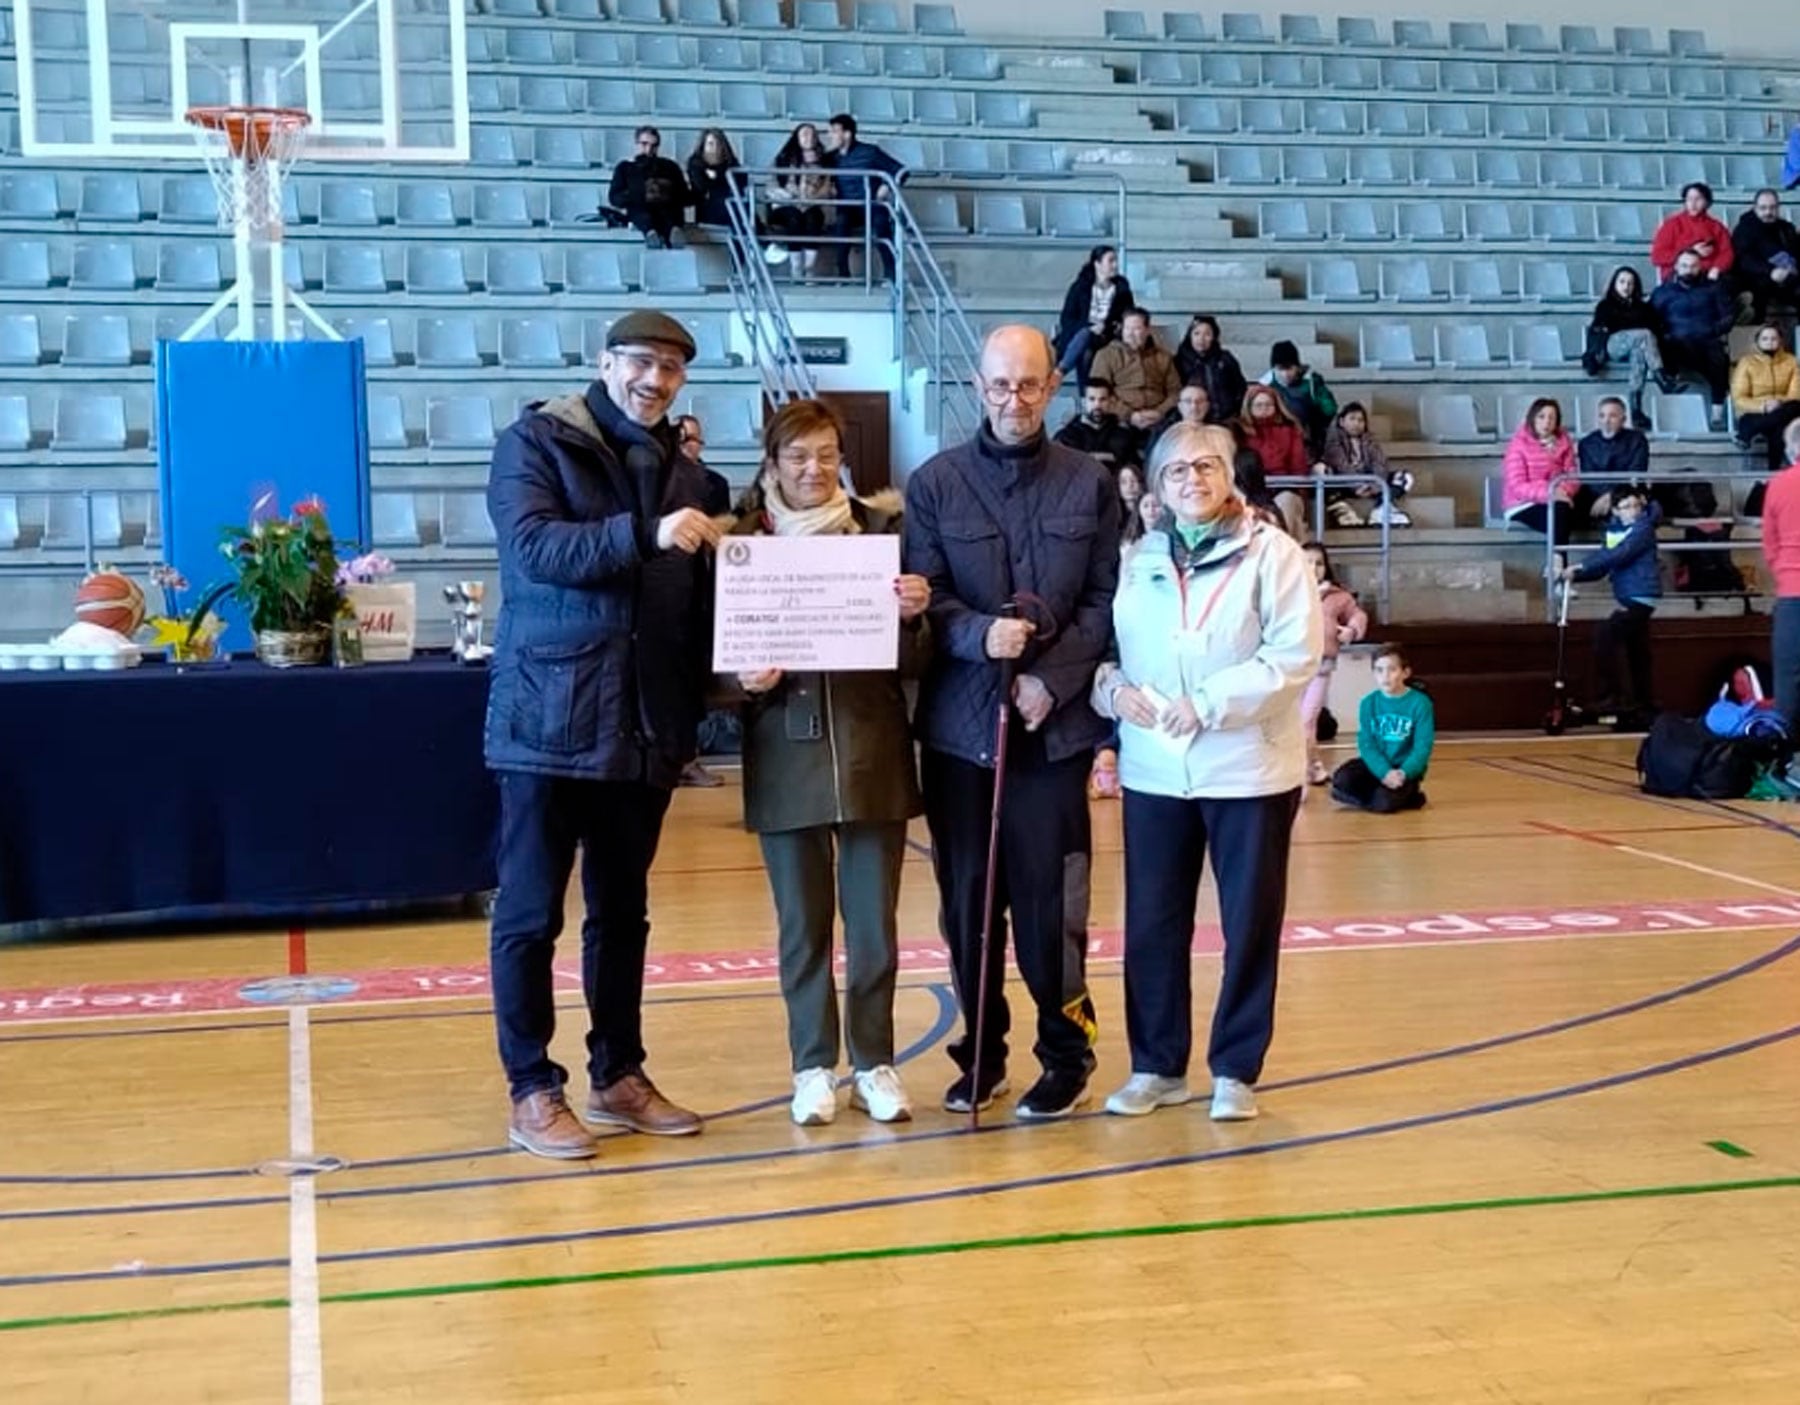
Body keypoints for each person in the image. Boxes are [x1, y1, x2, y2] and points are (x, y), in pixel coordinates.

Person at [484, 309, 720, 1160]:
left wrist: (734, 679)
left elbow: (698, 607)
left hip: (645, 724)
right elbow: (536, 548)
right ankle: (530, 1087)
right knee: (529, 913)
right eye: (642, 363)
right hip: (547, 719)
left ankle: (617, 1072)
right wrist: (642, 534)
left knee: (623, 914)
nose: (655, 381)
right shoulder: (535, 444)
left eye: (672, 370)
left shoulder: (690, 477)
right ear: (605, 362)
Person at [902, 324, 1120, 1120]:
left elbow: (1105, 604)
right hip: (961, 734)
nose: (1014, 400)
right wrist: (974, 635)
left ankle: (1066, 1052)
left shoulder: (1089, 484)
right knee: (967, 904)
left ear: (1053, 384)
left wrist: (1051, 683)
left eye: (1029, 384)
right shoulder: (933, 484)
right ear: (978, 384)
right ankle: (982, 1051)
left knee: (1049, 905)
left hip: (1052, 734)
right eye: (1000, 385)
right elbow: (925, 600)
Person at [1089, 422, 1320, 1122]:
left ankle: (1236, 1068)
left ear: (1230, 475)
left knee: (1249, 922)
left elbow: (1293, 654)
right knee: (1153, 923)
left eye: (1205, 466)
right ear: (1156, 487)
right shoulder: (1137, 559)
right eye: (1176, 470)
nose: (1192, 479)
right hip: (1155, 770)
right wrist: (1108, 689)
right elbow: (1108, 650)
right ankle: (1158, 1065)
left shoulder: (1273, 554)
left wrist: (1211, 703)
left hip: (1246, 770)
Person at [725, 399, 932, 1127]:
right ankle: (812, 1063)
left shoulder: (884, 535)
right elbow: (713, 663)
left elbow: (916, 661)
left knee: (873, 925)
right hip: (785, 754)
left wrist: (914, 617)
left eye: (825, 454)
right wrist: (740, 682)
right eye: (797, 456)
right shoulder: (742, 544)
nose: (813, 469)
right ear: (773, 463)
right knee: (802, 927)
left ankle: (875, 1060)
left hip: (873, 751)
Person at [1559, 484, 1663, 730]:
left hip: (1641, 596)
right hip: (1630, 597)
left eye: (1637, 505)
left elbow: (1619, 555)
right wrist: (1574, 576)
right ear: (1616, 511)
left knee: (1605, 634)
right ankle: (1642, 704)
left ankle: (1612, 696)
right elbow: (1605, 563)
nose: (1634, 511)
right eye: (1627, 507)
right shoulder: (1616, 531)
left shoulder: (1643, 529)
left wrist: (1579, 567)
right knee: (1637, 652)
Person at [676, 413, 733, 789]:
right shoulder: (659, 480)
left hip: (705, 585)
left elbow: (724, 535)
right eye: (681, 440)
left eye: (694, 440)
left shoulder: (715, 483)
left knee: (696, 679)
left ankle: (691, 757)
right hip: (667, 587)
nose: (689, 446)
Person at [1330, 644, 1434, 813]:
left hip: (1403, 770)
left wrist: (1403, 773)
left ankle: (1404, 796)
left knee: (1384, 804)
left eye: (1392, 670)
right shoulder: (1368, 703)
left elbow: (1422, 747)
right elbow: (1367, 744)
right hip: (1378, 767)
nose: (1385, 676)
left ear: (1405, 673)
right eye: (1379, 670)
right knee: (1341, 780)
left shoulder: (1421, 703)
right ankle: (1383, 795)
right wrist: (1383, 772)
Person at [1299, 541, 1367, 786]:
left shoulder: (1337, 596)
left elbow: (1357, 615)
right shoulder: (1287, 590)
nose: (1314, 568)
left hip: (1321, 666)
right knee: (1295, 722)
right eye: (1308, 561)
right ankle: (1313, 766)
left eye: (1318, 563)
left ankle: (1300, 774)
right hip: (1291, 666)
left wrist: (1351, 630)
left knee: (1307, 720)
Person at [822, 112, 904, 282]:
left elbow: (901, 172)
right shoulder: (831, 158)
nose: (830, 136)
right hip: (847, 207)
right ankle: (842, 275)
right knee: (841, 224)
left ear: (847, 134)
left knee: (882, 225)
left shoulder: (870, 152)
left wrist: (887, 186)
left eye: (834, 131)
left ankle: (891, 274)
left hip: (872, 204)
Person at [1651, 248, 1735, 411]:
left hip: (1707, 341)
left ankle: (1718, 407)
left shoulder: (1714, 289)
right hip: (1676, 344)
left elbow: (1728, 316)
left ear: (1700, 266)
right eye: (1684, 266)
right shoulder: (1662, 292)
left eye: (1693, 266)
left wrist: (1713, 331)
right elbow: (1652, 319)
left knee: (1718, 356)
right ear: (1676, 266)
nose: (1688, 270)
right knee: (1665, 344)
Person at [1502, 398, 1594, 547]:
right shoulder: (1518, 445)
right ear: (1532, 418)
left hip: (1560, 497)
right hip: (1525, 504)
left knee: (1587, 497)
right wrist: (1551, 493)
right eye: (1542, 416)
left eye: (1552, 417)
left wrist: (1563, 491)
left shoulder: (1564, 441)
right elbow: (1517, 486)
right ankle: (1558, 562)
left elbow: (1572, 474)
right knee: (1559, 512)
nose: (1547, 422)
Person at [1586, 266, 1668, 429]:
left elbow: (1655, 333)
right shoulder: (1606, 305)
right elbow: (1598, 330)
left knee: (1640, 353)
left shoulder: (1644, 308)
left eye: (1630, 283)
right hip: (1613, 345)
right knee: (1644, 335)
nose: (1626, 286)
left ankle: (1635, 408)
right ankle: (1661, 376)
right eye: (1622, 282)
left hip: (1636, 347)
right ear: (1614, 284)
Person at [1090, 308, 1181, 449]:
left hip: (1158, 418)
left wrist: (1160, 412)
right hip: (1119, 418)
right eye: (1127, 328)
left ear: (1147, 330)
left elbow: (1175, 392)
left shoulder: (1163, 357)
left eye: (1137, 329)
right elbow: (1098, 393)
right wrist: (1129, 415)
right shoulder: (1106, 355)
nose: (1131, 334)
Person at [1052, 245, 1135, 388]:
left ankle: (1060, 371)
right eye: (1111, 261)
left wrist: (1107, 326)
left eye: (1116, 261)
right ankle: (1087, 400)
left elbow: (1129, 316)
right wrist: (1090, 328)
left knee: (1086, 339)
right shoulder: (1080, 287)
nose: (1115, 265)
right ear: (1097, 264)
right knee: (1086, 349)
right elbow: (1067, 319)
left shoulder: (1122, 288)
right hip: (1081, 336)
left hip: (1108, 336)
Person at [1763, 419, 1800, 732]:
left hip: (1792, 590)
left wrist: (1784, 573)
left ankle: (1787, 758)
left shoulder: (1777, 484)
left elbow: (1770, 543)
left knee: (1789, 675)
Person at [1238, 384, 1313, 537]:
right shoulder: (1239, 431)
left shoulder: (1290, 430)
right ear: (1249, 406)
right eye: (1259, 405)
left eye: (1268, 404)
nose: (1264, 408)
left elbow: (1298, 466)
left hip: (1284, 489)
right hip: (1251, 490)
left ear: (1276, 406)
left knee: (1287, 504)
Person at [1320, 401, 1411, 527]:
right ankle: (1343, 512)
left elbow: (1379, 464)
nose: (1356, 423)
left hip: (1370, 484)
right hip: (1345, 484)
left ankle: (1382, 508)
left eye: (1360, 420)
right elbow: (1342, 466)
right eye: (1352, 419)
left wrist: (1374, 486)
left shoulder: (1370, 440)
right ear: (1341, 421)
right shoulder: (1334, 441)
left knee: (1405, 477)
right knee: (1321, 471)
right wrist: (1357, 486)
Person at [767, 123, 834, 276]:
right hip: (784, 205)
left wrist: (814, 198)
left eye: (812, 134)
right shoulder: (783, 158)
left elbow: (828, 187)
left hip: (812, 204)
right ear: (797, 137)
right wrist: (788, 196)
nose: (808, 138)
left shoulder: (824, 161)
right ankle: (796, 266)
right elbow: (771, 186)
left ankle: (809, 267)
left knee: (814, 217)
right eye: (804, 134)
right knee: (794, 218)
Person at [1732, 323, 1800, 472]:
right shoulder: (1747, 363)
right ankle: (1773, 471)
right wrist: (1764, 406)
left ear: (1780, 341)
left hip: (1784, 408)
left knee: (1795, 406)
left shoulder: (1791, 361)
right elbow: (1739, 398)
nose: (1769, 342)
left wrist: (1778, 403)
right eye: (1765, 339)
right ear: (1757, 342)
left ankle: (1747, 433)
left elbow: (1796, 394)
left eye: (1773, 338)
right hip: (1755, 413)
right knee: (1780, 427)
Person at [608, 125, 689, 249]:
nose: (649, 150)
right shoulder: (625, 168)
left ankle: (673, 230)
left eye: (654, 146)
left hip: (667, 207)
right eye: (644, 144)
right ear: (636, 144)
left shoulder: (670, 166)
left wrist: (665, 192)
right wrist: (640, 193)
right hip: (640, 207)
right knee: (640, 212)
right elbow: (614, 197)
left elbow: (683, 195)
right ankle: (651, 233)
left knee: (670, 213)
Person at [1731, 189, 1800, 322]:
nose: (1768, 212)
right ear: (1754, 207)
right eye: (1763, 208)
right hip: (1755, 279)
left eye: (1772, 208)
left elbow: (1796, 252)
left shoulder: (1786, 228)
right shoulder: (1744, 229)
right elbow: (1744, 260)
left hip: (1786, 278)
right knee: (1756, 295)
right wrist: (1771, 271)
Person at [1260, 340, 1338, 454]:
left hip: (1307, 441)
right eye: (1281, 369)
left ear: (1297, 366)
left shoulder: (1311, 383)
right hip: (1275, 442)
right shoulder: (1265, 386)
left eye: (1290, 368)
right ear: (1273, 368)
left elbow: (1330, 409)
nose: (1285, 374)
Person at [1578, 397, 1650, 517]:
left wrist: (1612, 496)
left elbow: (1635, 474)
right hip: (1597, 496)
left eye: (1612, 416)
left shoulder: (1638, 440)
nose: (1606, 421)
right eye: (1602, 416)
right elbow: (1590, 479)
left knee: (1633, 506)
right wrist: (1608, 496)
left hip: (1630, 493)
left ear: (1624, 420)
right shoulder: (1586, 443)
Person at [1649, 182, 1734, 284]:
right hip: (1679, 277)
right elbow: (1657, 256)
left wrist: (1717, 268)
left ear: (1707, 202)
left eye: (1698, 199)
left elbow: (1727, 253)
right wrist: (1690, 251)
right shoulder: (1672, 225)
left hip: (1707, 276)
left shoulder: (1716, 227)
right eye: (1689, 199)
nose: (1693, 203)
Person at [1053, 378, 1139, 473]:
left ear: (1110, 401)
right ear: (1084, 401)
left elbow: (1134, 474)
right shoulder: (1066, 437)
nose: (1097, 405)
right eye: (1092, 399)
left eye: (1102, 399)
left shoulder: (1123, 436)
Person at [1173, 314, 1247, 421]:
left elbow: (1240, 388)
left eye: (1207, 334)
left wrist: (1235, 413)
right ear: (1190, 335)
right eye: (1197, 333)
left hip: (1226, 419)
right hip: (1194, 420)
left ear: (1214, 337)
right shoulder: (1179, 361)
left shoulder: (1225, 358)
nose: (1201, 339)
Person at [685, 127, 742, 229]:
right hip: (708, 208)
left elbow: (740, 183)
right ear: (703, 146)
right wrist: (721, 177)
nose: (715, 149)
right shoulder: (696, 164)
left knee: (740, 206)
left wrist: (714, 177)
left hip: (730, 205)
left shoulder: (732, 163)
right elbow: (701, 187)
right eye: (711, 144)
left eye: (718, 144)